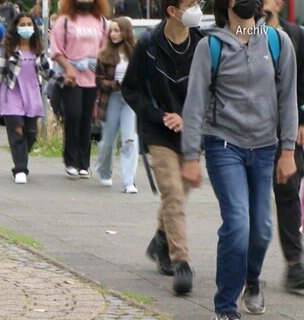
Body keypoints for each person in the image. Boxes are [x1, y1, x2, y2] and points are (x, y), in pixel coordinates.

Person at [181, 0, 298, 318]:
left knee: (260, 229)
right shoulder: (210, 47)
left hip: (264, 150)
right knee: (237, 224)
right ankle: (225, 306)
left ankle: (252, 279)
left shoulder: (277, 41)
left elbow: (288, 99)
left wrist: (287, 151)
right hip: (224, 147)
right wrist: (190, 156)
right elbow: (194, 105)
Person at [121, 0, 205, 295]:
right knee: (172, 192)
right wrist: (158, 115)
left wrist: (192, 117)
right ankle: (181, 261)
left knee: (180, 193)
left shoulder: (202, 44)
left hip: (192, 133)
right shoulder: (149, 44)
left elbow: (212, 88)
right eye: (190, 3)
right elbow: (130, 88)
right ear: (172, 10)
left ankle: (159, 240)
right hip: (159, 133)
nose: (197, 7)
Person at [0, 13, 62, 184]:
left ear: (33, 28)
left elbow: (46, 71)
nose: (26, 27)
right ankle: (20, 169)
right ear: (16, 27)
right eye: (23, 24)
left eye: (29, 24)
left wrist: (63, 81)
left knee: (31, 134)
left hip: (31, 94)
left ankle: (21, 156)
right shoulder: (8, 49)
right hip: (11, 94)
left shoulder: (37, 50)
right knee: (17, 130)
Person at [263, 0, 304, 295]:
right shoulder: (247, 34)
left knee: (288, 190)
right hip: (255, 129)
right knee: (278, 193)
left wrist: (301, 120)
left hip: (291, 127)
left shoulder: (296, 35)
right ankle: (294, 265)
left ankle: (294, 265)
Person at [50, 0, 108, 179]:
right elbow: (56, 50)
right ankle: (70, 160)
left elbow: (105, 50)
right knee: (73, 115)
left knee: (86, 119)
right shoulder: (65, 21)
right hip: (72, 78)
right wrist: (68, 68)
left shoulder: (102, 21)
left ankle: (84, 163)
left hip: (92, 78)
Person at [95, 17, 138, 192]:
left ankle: (129, 182)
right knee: (107, 141)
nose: (113, 34)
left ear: (126, 31)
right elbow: (98, 81)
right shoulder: (104, 54)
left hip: (129, 100)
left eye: (117, 30)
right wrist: (115, 85)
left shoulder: (136, 53)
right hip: (111, 99)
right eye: (111, 30)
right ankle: (105, 172)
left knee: (129, 140)